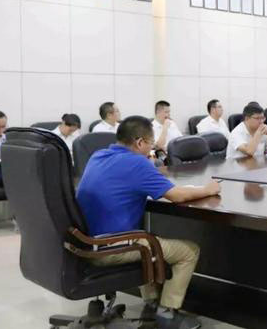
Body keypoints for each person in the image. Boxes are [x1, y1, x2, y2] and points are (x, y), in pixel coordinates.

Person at [76, 116, 220, 329]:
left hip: (85, 243)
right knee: (188, 251)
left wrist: (147, 167)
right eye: (150, 144)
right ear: (140, 142)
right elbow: (177, 195)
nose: (151, 149)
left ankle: (151, 304)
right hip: (111, 248)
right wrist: (208, 190)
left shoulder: (98, 155)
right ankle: (167, 312)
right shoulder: (137, 163)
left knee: (144, 238)